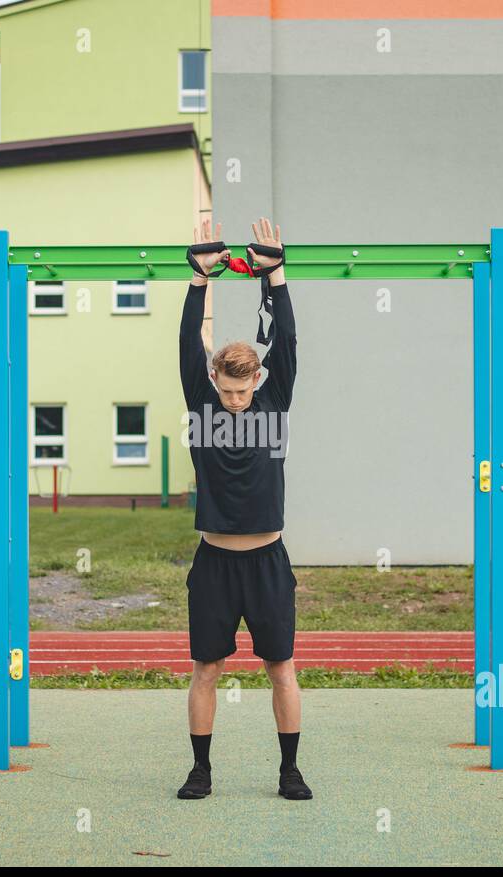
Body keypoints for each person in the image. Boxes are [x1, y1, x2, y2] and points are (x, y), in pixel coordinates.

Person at [176, 217, 311, 801]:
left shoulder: (274, 399)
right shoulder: (203, 401)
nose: (234, 401)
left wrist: (275, 276)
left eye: (243, 389)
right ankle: (201, 770)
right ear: (214, 380)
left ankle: (289, 771)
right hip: (214, 564)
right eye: (226, 391)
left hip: (266, 561)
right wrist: (198, 279)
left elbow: (288, 342)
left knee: (280, 667)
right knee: (207, 669)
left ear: (256, 377)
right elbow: (187, 343)